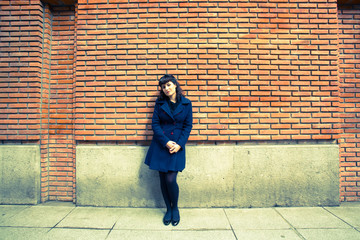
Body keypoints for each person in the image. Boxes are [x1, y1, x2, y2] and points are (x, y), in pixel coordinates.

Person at [145, 74, 193, 226]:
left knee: (171, 179)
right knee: (163, 180)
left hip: (177, 146)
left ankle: (175, 208)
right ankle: (168, 210)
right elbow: (155, 124)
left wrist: (179, 144)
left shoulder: (186, 103)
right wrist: (166, 142)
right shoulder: (159, 103)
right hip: (161, 145)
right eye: (163, 87)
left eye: (169, 85)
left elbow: (188, 126)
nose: (166, 88)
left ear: (175, 85)